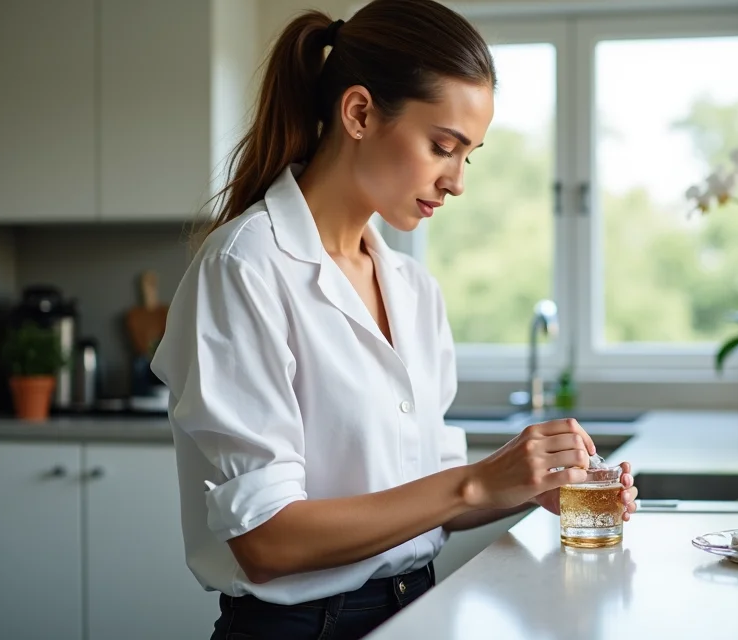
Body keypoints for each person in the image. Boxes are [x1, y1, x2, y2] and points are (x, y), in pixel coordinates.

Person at [149, 1, 638, 638]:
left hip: (418, 611)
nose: (457, 181)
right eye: (442, 146)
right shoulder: (245, 268)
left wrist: (521, 487)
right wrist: (474, 485)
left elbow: (422, 499)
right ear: (358, 113)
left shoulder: (411, 288)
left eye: (470, 156)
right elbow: (266, 542)